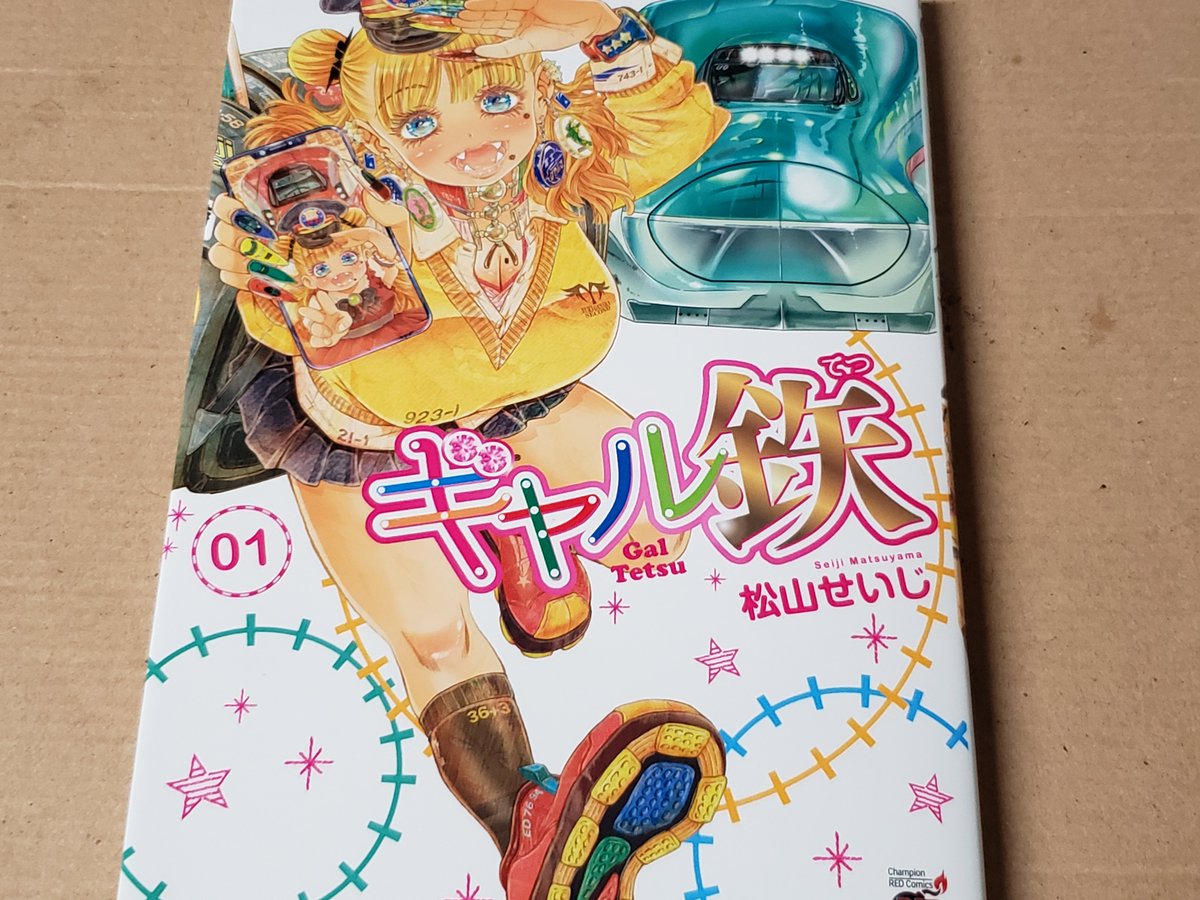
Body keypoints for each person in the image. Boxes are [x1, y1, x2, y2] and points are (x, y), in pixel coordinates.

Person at [208, 2, 732, 896]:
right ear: (366, 130)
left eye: (497, 101)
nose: (473, 140)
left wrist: (599, 29)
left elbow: (663, 137)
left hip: (518, 404)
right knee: (435, 638)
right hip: (370, 440)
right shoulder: (345, 204)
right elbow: (288, 304)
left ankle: (513, 529)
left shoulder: (556, 162)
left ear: (532, 83)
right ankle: (531, 831)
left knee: (654, 524)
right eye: (419, 123)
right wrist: (268, 274)